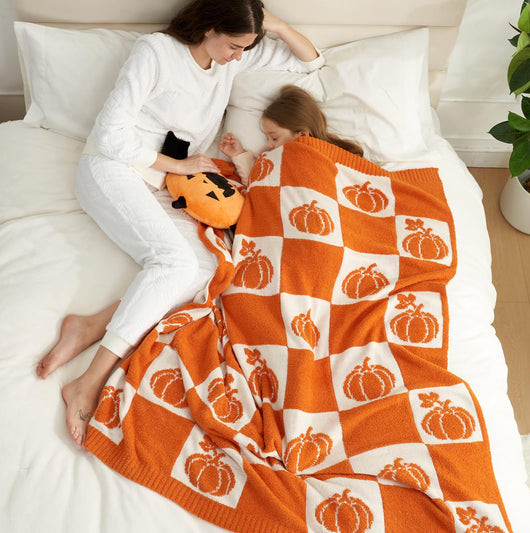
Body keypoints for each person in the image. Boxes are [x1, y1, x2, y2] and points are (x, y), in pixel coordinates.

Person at [36, 0, 323, 447]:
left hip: (171, 182)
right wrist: (180, 165)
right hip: (114, 168)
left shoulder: (231, 57)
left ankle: (91, 327)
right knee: (175, 263)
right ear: (209, 28)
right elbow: (110, 134)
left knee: (209, 268)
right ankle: (89, 381)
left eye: (246, 48)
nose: (238, 57)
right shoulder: (155, 52)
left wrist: (275, 25)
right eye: (234, 45)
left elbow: (311, 61)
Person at [218, 84, 364, 182]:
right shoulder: (272, 160)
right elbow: (257, 184)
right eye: (268, 138)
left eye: (274, 138)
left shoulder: (339, 158)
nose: (269, 145)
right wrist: (239, 155)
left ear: (302, 135)